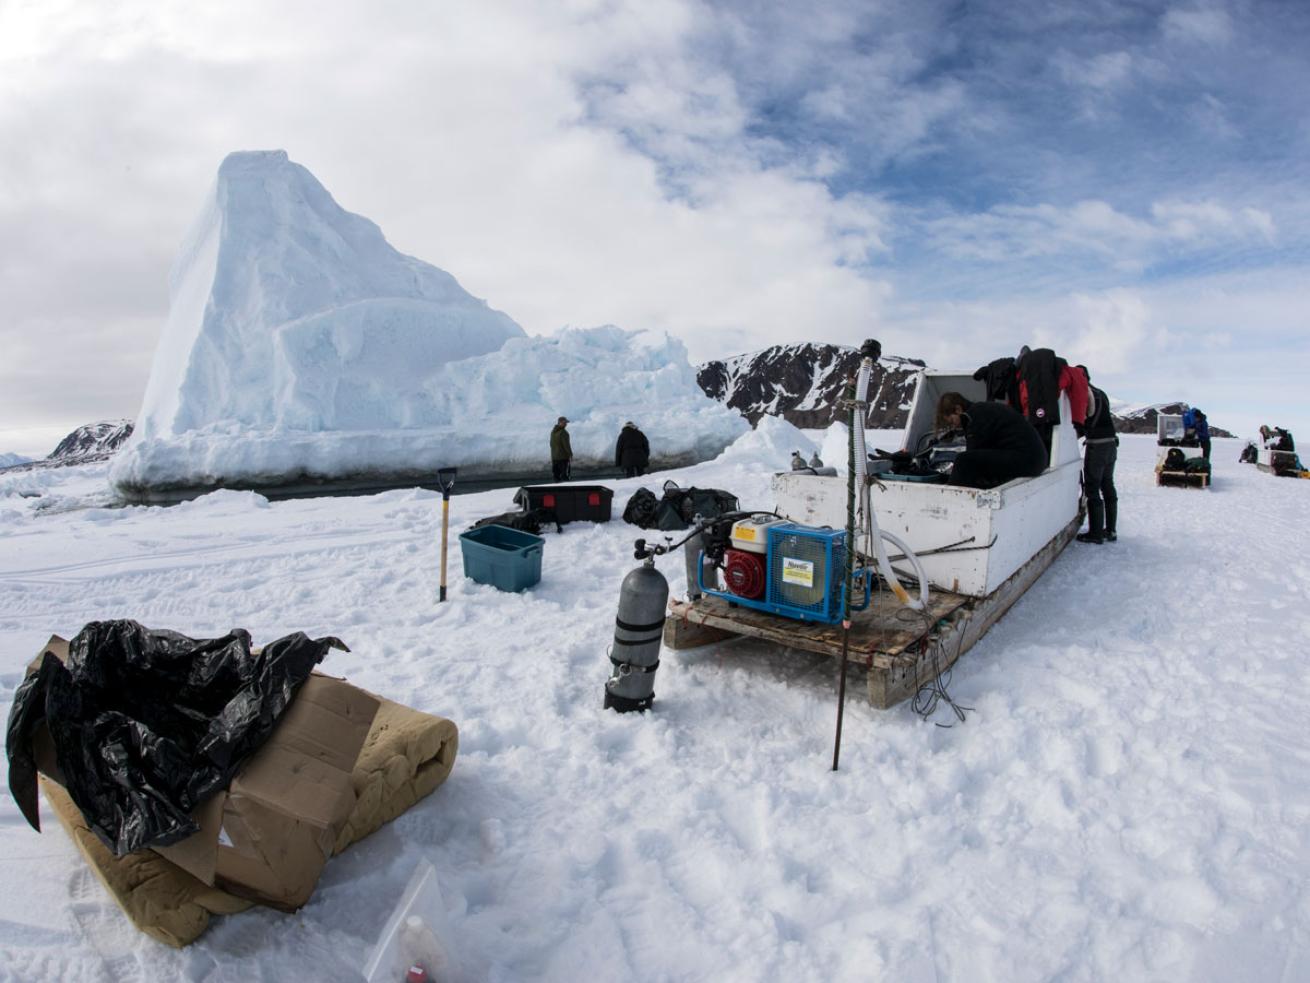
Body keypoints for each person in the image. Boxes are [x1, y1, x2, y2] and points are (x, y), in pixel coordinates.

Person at [935, 392, 1047, 489]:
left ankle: (949, 498)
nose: (953, 426)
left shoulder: (973, 417)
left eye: (951, 421)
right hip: (1033, 459)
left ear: (958, 409)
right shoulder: (982, 411)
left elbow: (971, 457)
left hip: (1029, 460)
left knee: (963, 460)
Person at [1077, 367, 1118, 544]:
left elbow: (1084, 418)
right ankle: (1110, 530)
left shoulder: (1085, 392)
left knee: (1092, 488)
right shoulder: (1101, 393)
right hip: (1111, 445)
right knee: (1108, 485)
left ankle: (1095, 534)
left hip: (1097, 446)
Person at [550, 416, 572, 482]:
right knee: (564, 476)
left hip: (554, 458)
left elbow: (551, 444)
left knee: (556, 476)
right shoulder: (563, 433)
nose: (566, 424)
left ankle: (556, 490)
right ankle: (566, 491)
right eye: (564, 423)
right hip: (563, 458)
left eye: (566, 423)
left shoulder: (553, 432)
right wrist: (570, 454)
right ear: (559, 423)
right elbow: (566, 445)